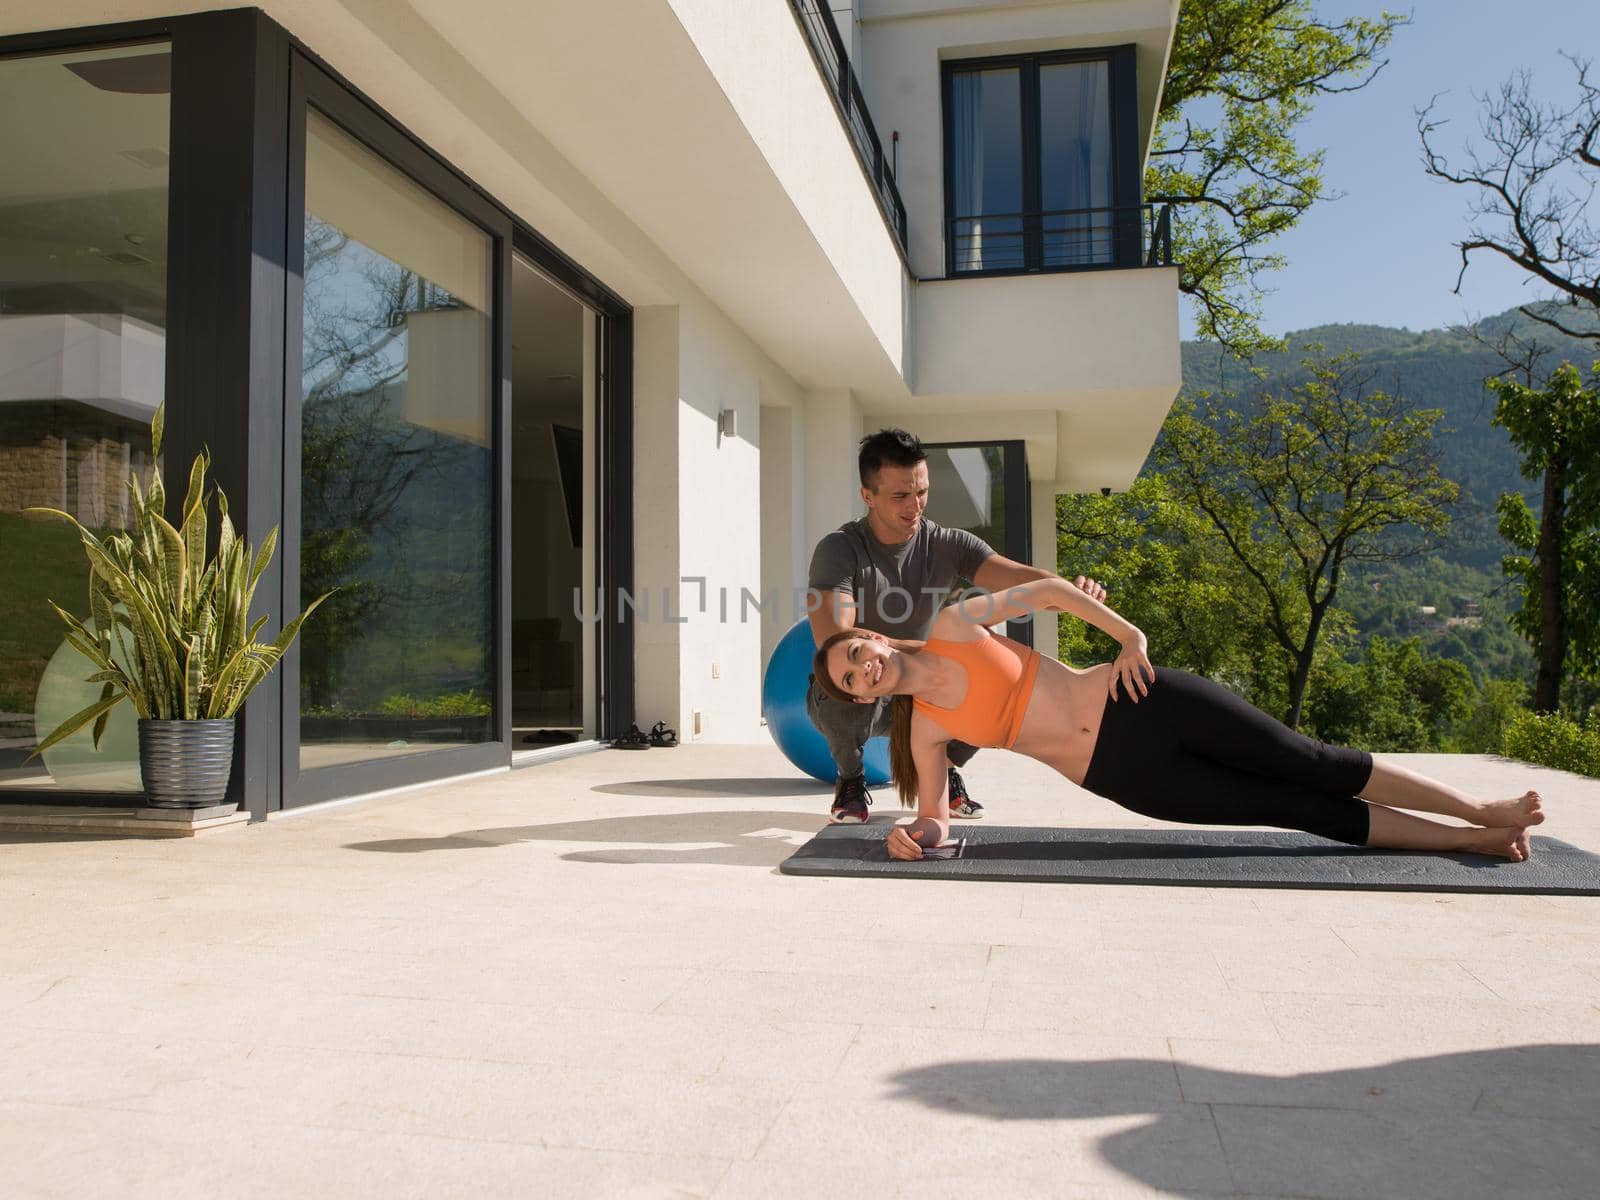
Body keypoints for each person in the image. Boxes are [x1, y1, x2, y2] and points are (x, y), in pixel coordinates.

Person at [812, 575, 1543, 862]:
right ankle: (1467, 841)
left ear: (875, 637)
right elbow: (940, 816)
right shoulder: (924, 730)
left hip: (1139, 696)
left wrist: (1126, 635)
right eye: (851, 680)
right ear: (858, 697)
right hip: (1125, 774)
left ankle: (1479, 807)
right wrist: (915, 835)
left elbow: (1052, 592)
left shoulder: (950, 625)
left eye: (858, 654)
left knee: (1309, 761)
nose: (862, 670)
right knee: (1294, 810)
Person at [806, 429, 1105, 824]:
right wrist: (907, 651)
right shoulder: (840, 549)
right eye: (900, 496)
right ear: (868, 496)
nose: (915, 506)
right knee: (837, 690)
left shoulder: (949, 544)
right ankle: (850, 779)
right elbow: (836, 642)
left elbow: (1017, 578)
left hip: (925, 686)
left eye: (922, 492)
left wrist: (1067, 592)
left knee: (985, 676)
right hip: (869, 687)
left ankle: (945, 769)